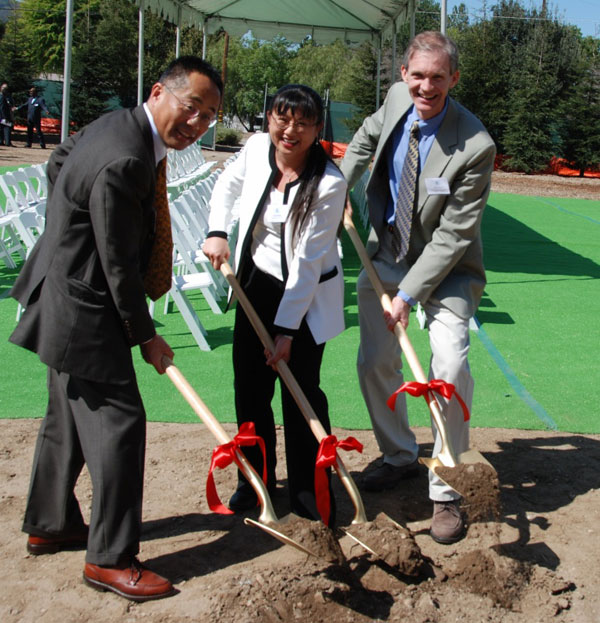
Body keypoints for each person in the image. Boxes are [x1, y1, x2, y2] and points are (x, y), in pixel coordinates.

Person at [9, 56, 222, 601]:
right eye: (191, 107)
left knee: (65, 417)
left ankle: (49, 522)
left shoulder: (115, 125)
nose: (197, 124)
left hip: (61, 290)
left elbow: (59, 163)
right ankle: (110, 558)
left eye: (209, 117)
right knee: (121, 424)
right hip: (85, 310)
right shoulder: (127, 158)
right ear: (159, 92)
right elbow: (118, 264)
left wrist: (69, 222)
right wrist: (145, 335)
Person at [340, 31, 496, 544]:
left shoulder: (474, 145)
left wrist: (407, 296)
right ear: (405, 73)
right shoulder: (393, 98)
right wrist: (338, 189)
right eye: (417, 75)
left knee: (447, 367)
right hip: (385, 252)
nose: (425, 87)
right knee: (374, 362)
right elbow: (364, 139)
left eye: (437, 77)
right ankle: (400, 454)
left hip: (446, 270)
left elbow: (453, 237)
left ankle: (446, 488)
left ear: (454, 79)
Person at [203, 84, 347, 524]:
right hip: (254, 285)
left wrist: (286, 331)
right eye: (283, 119)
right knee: (250, 389)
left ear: (317, 129)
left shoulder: (328, 182)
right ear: (269, 120)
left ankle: (310, 491)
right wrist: (218, 231)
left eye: (303, 123)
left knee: (300, 392)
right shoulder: (255, 148)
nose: (291, 131)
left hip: (304, 297)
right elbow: (226, 185)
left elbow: (305, 263)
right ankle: (255, 481)